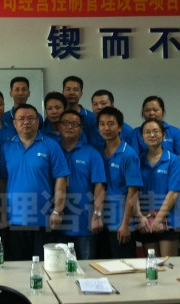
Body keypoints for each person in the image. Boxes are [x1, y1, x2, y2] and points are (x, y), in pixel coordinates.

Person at [0, 104, 69, 261]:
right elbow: (3, 181)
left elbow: (61, 179)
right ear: (14, 123)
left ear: (38, 122)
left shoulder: (51, 145)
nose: (26, 122)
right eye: (21, 119)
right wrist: (3, 213)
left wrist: (58, 211)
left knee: (44, 266)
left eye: (31, 118)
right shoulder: (7, 147)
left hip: (44, 218)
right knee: (17, 267)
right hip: (14, 219)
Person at [96, 107, 143, 259]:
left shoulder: (129, 155)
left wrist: (126, 225)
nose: (106, 128)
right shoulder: (98, 152)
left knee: (123, 269)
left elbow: (133, 192)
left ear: (120, 127)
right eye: (102, 124)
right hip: (102, 223)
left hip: (120, 223)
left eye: (111, 124)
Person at [58, 110, 106, 260]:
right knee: (59, 268)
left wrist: (97, 215)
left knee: (86, 269)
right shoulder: (53, 150)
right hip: (57, 223)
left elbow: (99, 187)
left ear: (81, 128)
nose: (70, 127)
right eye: (66, 123)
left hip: (84, 222)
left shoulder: (92, 153)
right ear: (59, 126)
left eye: (74, 124)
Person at [135, 118, 180, 258]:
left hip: (168, 221)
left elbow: (173, 193)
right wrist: (139, 217)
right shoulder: (138, 161)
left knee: (167, 265)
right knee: (152, 264)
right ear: (142, 136)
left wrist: (159, 219)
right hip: (146, 221)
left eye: (155, 131)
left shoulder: (173, 160)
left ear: (163, 135)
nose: (152, 135)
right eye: (147, 132)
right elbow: (133, 192)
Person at [131, 96, 180, 160]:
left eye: (155, 110)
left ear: (163, 111)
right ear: (143, 112)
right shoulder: (136, 133)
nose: (151, 113)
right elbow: (134, 157)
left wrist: (172, 165)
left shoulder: (175, 132)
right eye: (147, 110)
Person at [62, 75, 96, 144]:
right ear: (63, 92)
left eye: (75, 90)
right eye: (68, 89)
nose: (71, 93)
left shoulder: (92, 118)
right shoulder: (57, 116)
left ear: (81, 94)